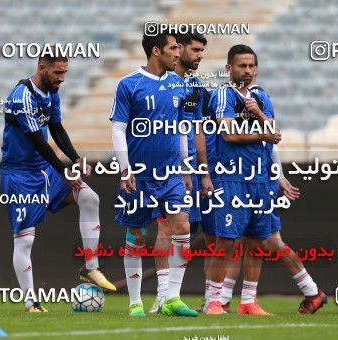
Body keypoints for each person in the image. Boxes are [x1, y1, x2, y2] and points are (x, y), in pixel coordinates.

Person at [0, 54, 116, 313]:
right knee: (24, 241)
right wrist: (64, 171)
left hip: (43, 169)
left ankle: (91, 267)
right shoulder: (21, 98)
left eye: (65, 72)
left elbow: (56, 128)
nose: (62, 78)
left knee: (89, 198)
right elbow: (38, 142)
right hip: (19, 175)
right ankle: (31, 303)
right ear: (42, 67)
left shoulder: (52, 92)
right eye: (57, 72)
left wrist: (75, 160)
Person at [110, 31, 198, 317]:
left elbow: (183, 127)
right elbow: (118, 128)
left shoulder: (179, 84)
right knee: (136, 234)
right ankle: (135, 302)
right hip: (139, 174)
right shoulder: (128, 84)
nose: (178, 53)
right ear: (157, 51)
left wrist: (185, 166)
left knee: (182, 227)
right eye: (174, 48)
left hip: (171, 173)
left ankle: (171, 297)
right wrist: (125, 169)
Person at [204, 44, 281, 315]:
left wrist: (259, 115)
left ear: (256, 69)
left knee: (257, 241)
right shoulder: (223, 96)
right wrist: (262, 132)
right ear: (229, 68)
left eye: (250, 66)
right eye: (241, 66)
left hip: (260, 178)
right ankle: (213, 301)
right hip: (231, 178)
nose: (246, 71)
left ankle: (248, 301)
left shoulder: (262, 97)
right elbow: (229, 135)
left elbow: (275, 133)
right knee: (225, 241)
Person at [148, 32, 214, 313]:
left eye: (203, 51)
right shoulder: (161, 81)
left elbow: (196, 128)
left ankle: (174, 296)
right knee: (165, 226)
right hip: (161, 165)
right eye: (195, 50)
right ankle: (162, 296)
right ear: (178, 50)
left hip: (189, 168)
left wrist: (203, 170)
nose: (199, 55)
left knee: (185, 229)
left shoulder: (195, 86)